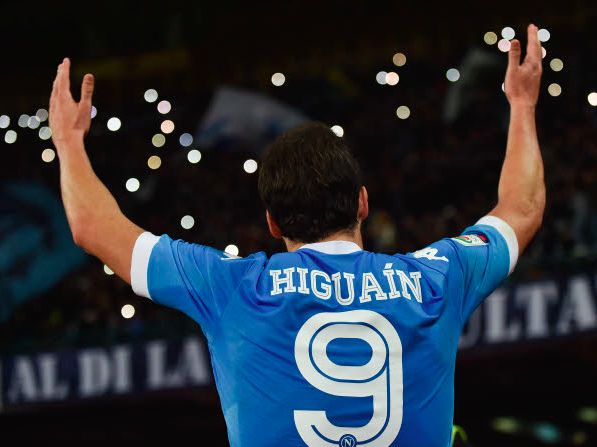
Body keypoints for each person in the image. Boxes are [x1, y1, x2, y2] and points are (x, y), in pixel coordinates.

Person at [48, 24, 544, 447]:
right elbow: (522, 209)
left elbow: (92, 225)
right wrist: (521, 104)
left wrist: (69, 144)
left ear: (273, 223)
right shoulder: (436, 279)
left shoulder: (232, 286)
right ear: (362, 203)